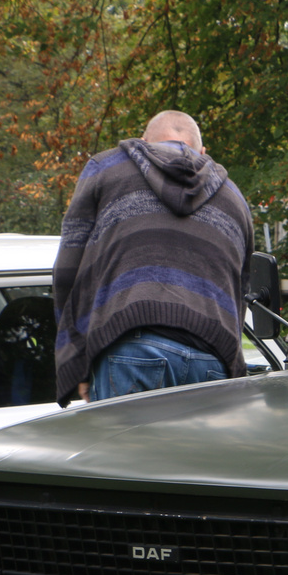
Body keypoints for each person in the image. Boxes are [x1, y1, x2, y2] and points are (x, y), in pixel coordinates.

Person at [52, 110, 253, 404]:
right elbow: (240, 293)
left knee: (127, 452)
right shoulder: (235, 199)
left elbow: (69, 269)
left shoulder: (106, 169)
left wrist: (75, 359)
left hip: (131, 347)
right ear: (203, 152)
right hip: (212, 360)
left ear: (145, 142)